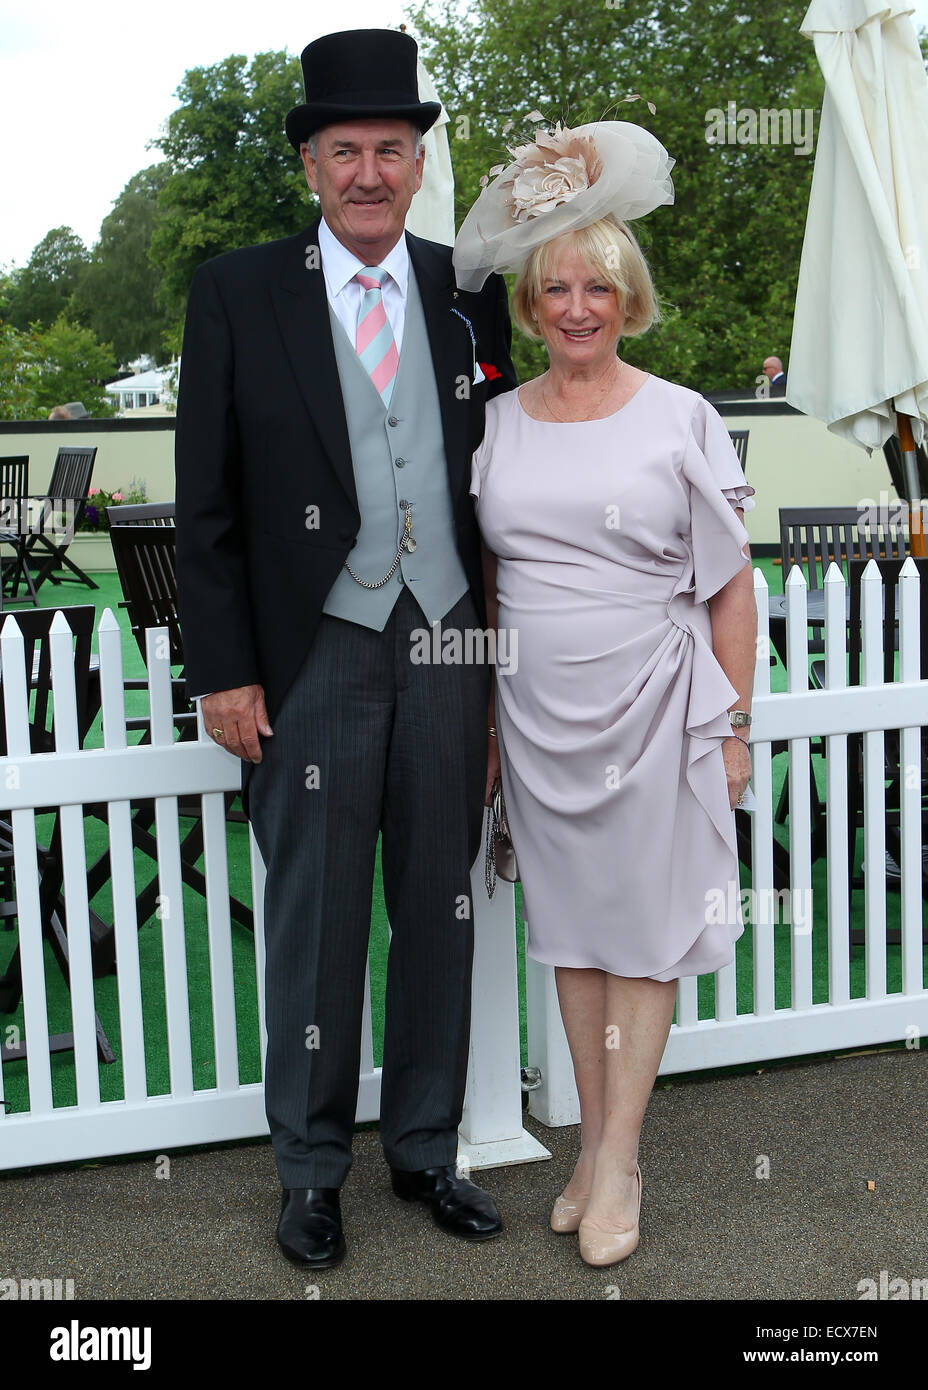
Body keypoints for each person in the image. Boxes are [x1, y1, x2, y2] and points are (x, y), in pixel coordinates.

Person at [174, 28, 516, 1269]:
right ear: (310, 165)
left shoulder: (468, 291)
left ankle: (425, 1149)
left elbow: (500, 490)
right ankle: (310, 1172)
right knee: (316, 919)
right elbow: (202, 504)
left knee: (440, 902)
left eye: (390, 147)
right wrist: (221, 670)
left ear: (417, 162)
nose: (368, 170)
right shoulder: (235, 291)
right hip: (310, 652)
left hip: (446, 644)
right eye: (343, 150)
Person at [455, 120, 757, 1266]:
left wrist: (730, 725)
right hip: (535, 723)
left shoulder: (680, 413)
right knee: (573, 939)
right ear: (529, 306)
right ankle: (587, 1147)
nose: (577, 307)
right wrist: (486, 722)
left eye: (599, 287)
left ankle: (620, 1154)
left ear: (628, 299)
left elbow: (732, 589)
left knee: (641, 943)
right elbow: (487, 588)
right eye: (556, 289)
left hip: (652, 705)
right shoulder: (493, 424)